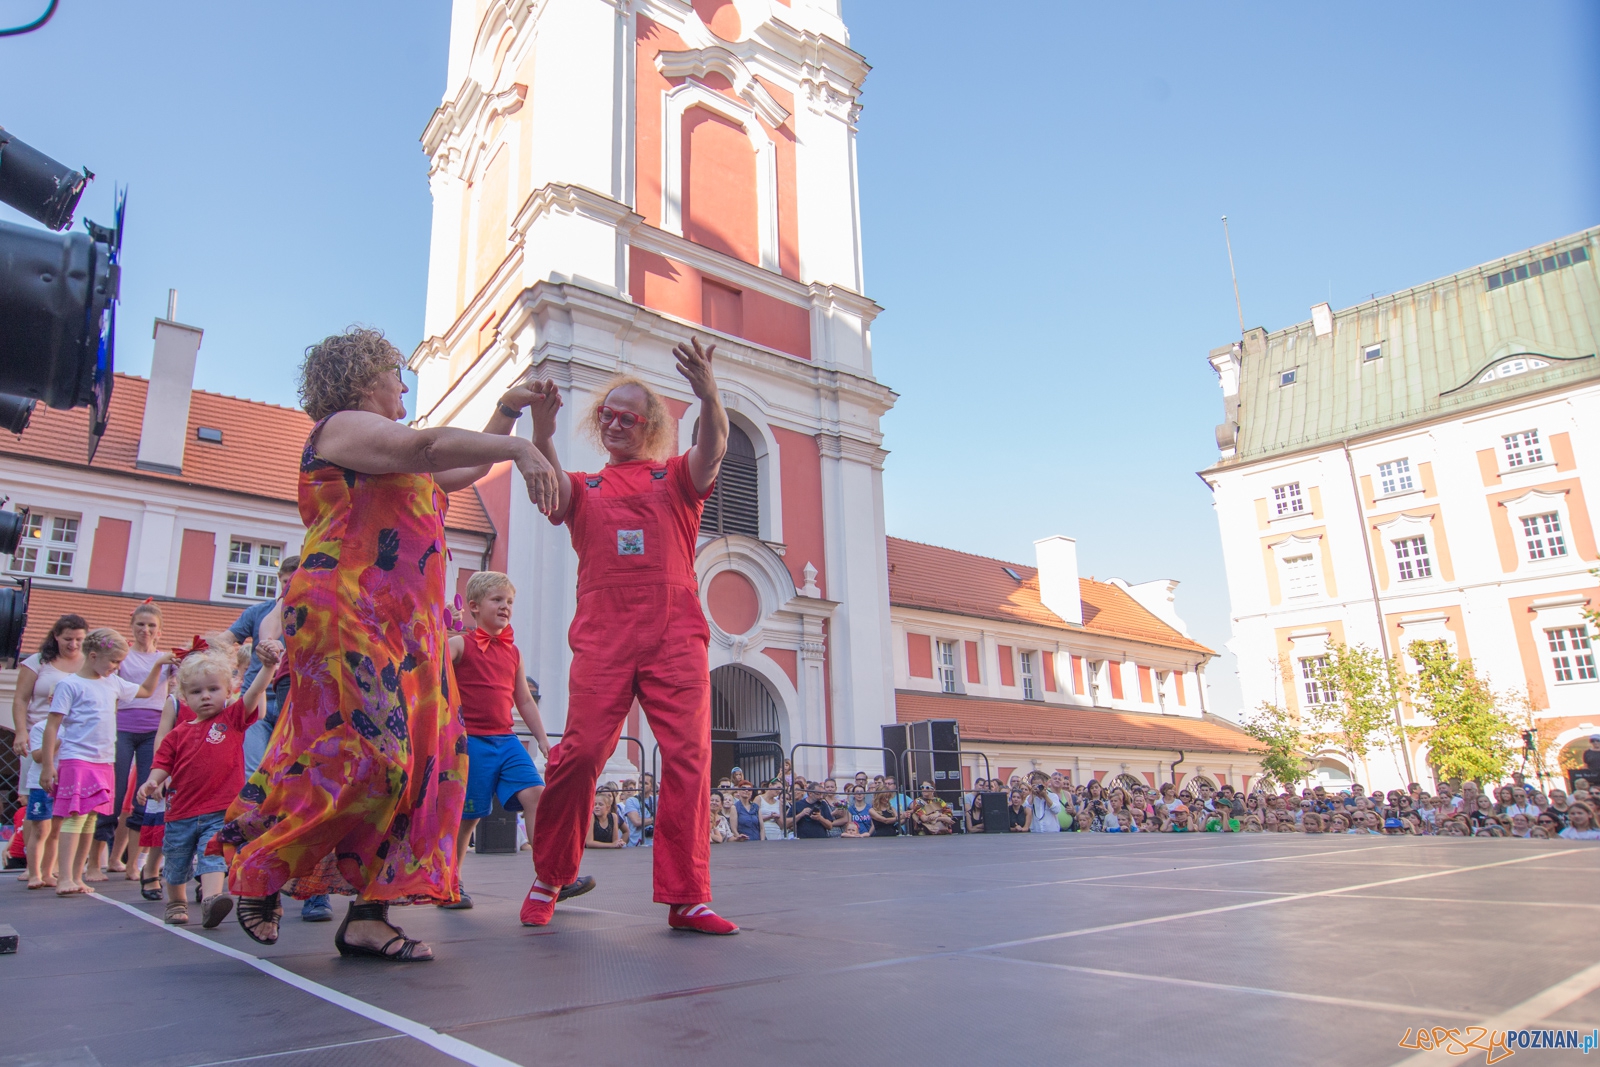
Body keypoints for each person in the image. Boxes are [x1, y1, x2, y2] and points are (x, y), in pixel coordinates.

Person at [219, 328, 558, 960]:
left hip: (411, 628)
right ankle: (262, 862)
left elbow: (461, 467)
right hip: (348, 613)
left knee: (426, 767)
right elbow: (430, 444)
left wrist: (509, 412)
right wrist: (518, 442)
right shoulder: (342, 428)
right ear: (362, 377)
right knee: (370, 754)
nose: (405, 384)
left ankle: (368, 916)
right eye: (395, 373)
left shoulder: (396, 455)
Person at [518, 338, 741, 936]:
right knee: (581, 753)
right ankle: (550, 876)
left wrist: (710, 395)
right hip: (604, 636)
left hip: (674, 633)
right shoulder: (585, 489)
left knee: (689, 760)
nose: (615, 424)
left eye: (628, 418)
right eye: (606, 416)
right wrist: (542, 430)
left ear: (650, 428)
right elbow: (546, 480)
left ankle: (687, 897)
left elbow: (715, 445)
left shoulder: (675, 478)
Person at [137, 643, 280, 927]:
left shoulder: (232, 719)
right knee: (176, 862)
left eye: (213, 689)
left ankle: (212, 899)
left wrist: (268, 667)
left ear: (228, 692)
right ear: (184, 697)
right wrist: (152, 781)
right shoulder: (178, 734)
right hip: (181, 811)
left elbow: (254, 693)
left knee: (212, 855)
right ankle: (176, 901)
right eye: (196, 692)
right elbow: (162, 763)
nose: (205, 696)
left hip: (219, 809)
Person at [440, 571, 558, 912]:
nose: (505, 607)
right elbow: (431, 673)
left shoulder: (514, 653)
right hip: (471, 742)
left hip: (506, 740)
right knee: (469, 817)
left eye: (509, 602)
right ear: (474, 607)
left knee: (537, 794)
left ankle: (548, 877)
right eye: (497, 600)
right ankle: (452, 882)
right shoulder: (460, 643)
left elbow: (524, 701)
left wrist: (543, 740)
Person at [39, 629, 169, 896]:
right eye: (114, 662)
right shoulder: (70, 685)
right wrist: (48, 765)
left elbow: (145, 690)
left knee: (91, 821)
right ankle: (64, 876)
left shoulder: (112, 683)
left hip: (103, 761)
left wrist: (157, 665)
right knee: (74, 818)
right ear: (94, 655)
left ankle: (78, 875)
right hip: (77, 759)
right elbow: (53, 726)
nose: (117, 667)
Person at [89, 602, 175, 886]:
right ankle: (95, 862)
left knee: (146, 793)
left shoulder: (166, 659)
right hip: (123, 728)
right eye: (140, 624)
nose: (145, 630)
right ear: (132, 627)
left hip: (153, 730)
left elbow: (176, 692)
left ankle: (131, 864)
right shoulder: (123, 658)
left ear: (159, 631)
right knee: (114, 792)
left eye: (151, 626)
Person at [11, 614, 87, 889]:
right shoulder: (38, 662)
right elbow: (20, 698)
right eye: (68, 639)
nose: (74, 644)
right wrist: (21, 732)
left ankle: (51, 868)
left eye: (79, 639)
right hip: (39, 735)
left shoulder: (87, 662)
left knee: (61, 810)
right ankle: (32, 867)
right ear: (56, 636)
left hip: (72, 736)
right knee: (34, 804)